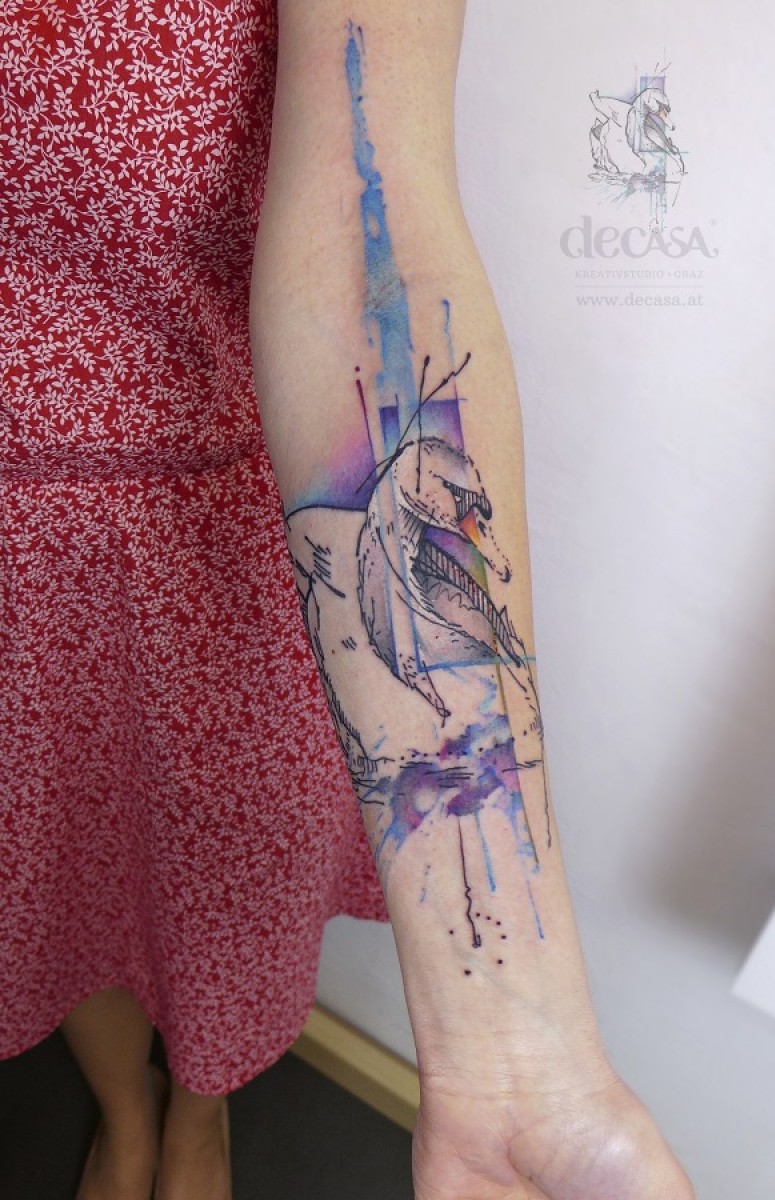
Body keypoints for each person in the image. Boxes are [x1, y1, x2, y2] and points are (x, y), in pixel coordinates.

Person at [0, 3, 697, 1199]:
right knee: (54, 864)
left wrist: (512, 1049)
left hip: (225, 541)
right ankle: (124, 1109)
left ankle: (200, 1115)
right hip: (20, 555)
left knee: (226, 891)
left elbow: (375, 256)